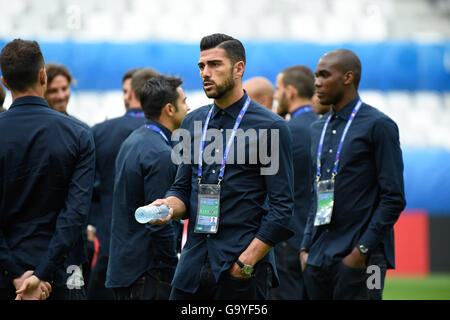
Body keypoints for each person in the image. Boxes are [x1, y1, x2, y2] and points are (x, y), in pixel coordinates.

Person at [146, 33, 295, 300]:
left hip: (240, 270)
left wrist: (245, 262)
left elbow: (282, 207)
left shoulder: (270, 127)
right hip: (192, 266)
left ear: (239, 68)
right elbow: (181, 188)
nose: (206, 72)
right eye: (202, 66)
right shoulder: (192, 122)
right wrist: (168, 207)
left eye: (215, 65)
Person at [300, 49, 406, 300]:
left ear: (348, 77)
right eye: (316, 76)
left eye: (325, 75)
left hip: (366, 260)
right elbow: (316, 194)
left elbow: (394, 198)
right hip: (318, 256)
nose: (317, 82)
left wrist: (361, 251)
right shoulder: (318, 127)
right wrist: (305, 247)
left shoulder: (379, 125)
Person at [0, 39, 95, 300]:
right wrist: (41, 273)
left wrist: (18, 274)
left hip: (7, 278)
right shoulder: (79, 134)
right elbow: (74, 215)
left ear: (5, 82)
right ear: (43, 75)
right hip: (65, 273)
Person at [106, 75, 189, 299]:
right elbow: (158, 219)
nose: (188, 107)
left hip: (125, 268)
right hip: (147, 272)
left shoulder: (135, 139)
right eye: (184, 101)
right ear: (170, 109)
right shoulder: (160, 153)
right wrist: (171, 265)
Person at [86, 68, 158, 300]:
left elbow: (85, 188)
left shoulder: (99, 132)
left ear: (129, 94)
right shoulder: (167, 135)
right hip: (152, 252)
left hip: (108, 243)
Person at [269, 65, 318, 300]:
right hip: (322, 241)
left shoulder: (284, 133)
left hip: (288, 240)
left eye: (278, 89)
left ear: (290, 91)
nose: (276, 95)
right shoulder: (330, 130)